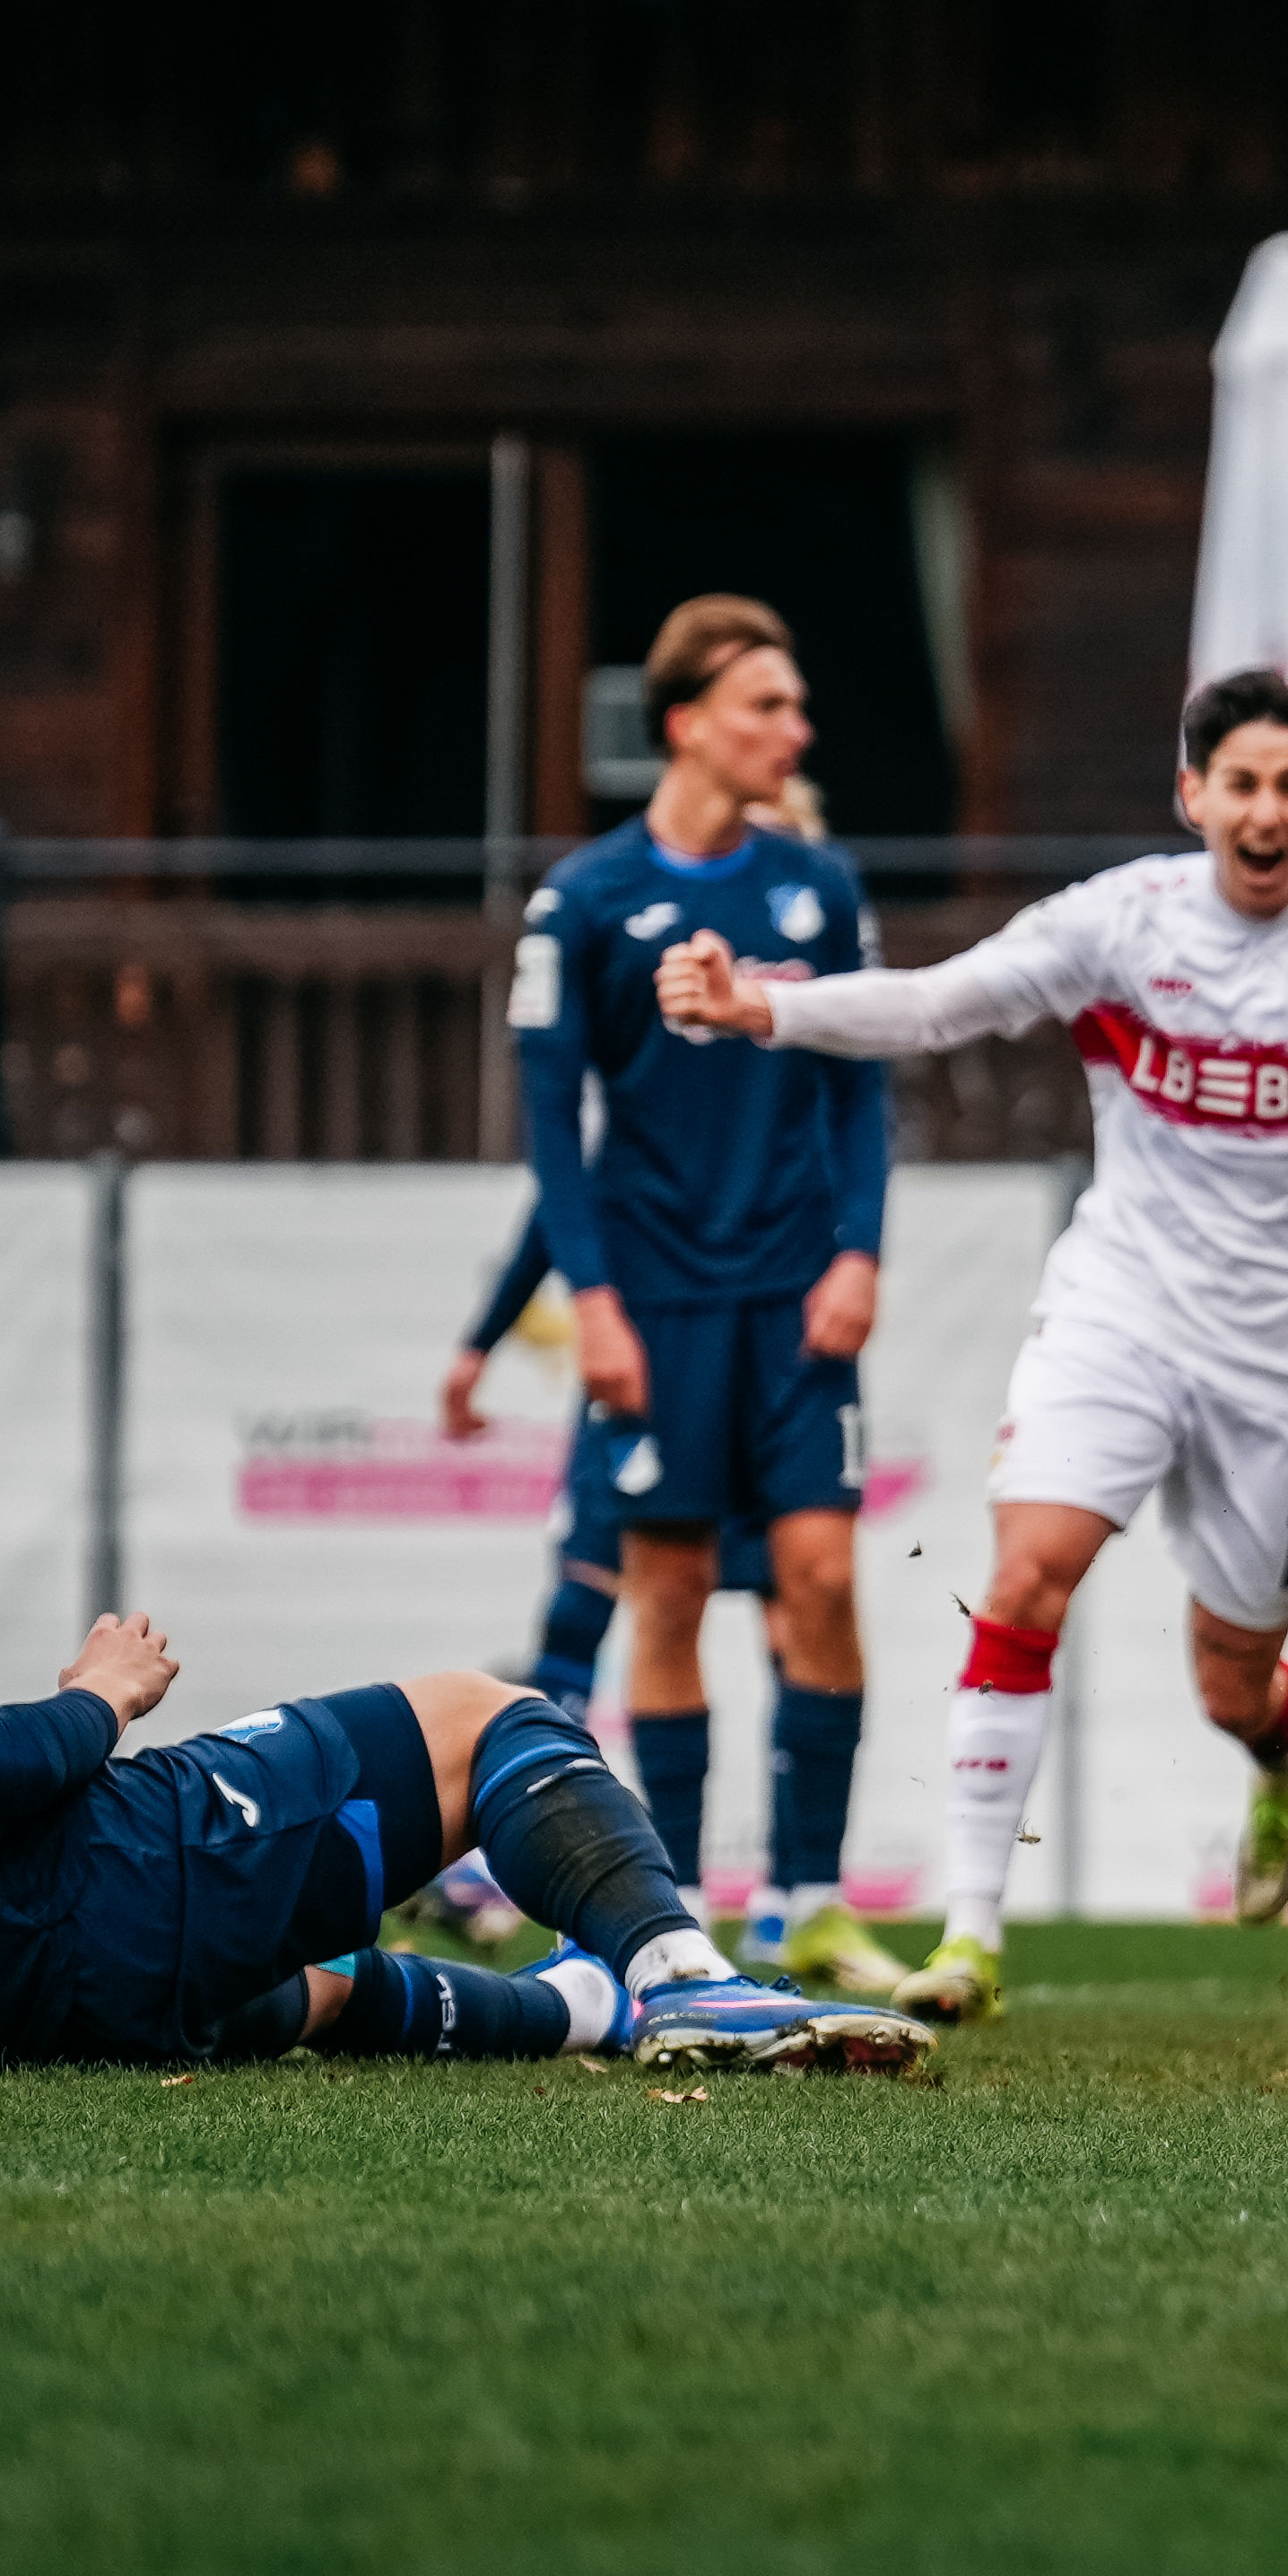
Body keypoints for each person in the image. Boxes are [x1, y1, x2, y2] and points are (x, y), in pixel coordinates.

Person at [655, 672, 1288, 2016]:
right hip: (1125, 1308)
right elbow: (933, 1006)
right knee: (1028, 1574)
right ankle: (968, 1938)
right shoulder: (1124, 920)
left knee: (1230, 1680)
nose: (1264, 812)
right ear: (1191, 795)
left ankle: (1282, 1752)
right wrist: (767, 1009)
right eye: (1240, 784)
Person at [0, 1324, 929, 2074]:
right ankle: (685, 1981)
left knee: (302, 1983)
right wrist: (100, 1692)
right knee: (490, 1718)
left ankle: (581, 2007)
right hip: (74, 1907)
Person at [514, 595, 905, 1995]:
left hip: (798, 1293)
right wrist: (597, 1304)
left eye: (796, 709)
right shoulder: (584, 900)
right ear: (688, 724)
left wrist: (861, 1247)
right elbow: (555, 1130)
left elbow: (862, 1086)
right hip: (662, 1301)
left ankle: (808, 1903)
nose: (793, 732)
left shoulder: (819, 885)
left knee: (822, 1574)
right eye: (766, 707)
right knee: (668, 1593)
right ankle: (670, 1928)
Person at [431, 1205, 776, 1943]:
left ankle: (791, 1892)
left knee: (791, 1612)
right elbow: (557, 1214)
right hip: (631, 1382)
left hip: (751, 1365)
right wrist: (478, 1344)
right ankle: (518, 1845)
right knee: (581, 1604)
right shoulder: (606, 1126)